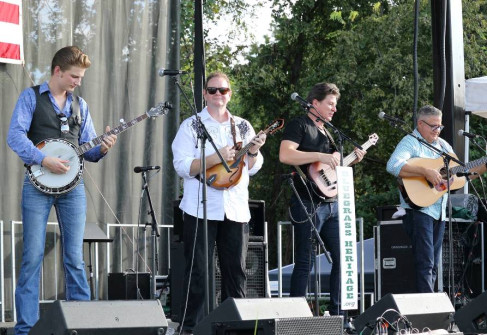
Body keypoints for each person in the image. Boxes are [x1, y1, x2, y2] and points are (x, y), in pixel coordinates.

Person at [7, 46, 118, 335]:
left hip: (74, 188)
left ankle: (82, 326)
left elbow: (90, 152)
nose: (78, 82)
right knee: (31, 257)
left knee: (75, 257)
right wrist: (43, 159)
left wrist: (103, 147)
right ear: (57, 71)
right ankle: (25, 329)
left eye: (80, 77)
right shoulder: (31, 97)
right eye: (74, 76)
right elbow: (15, 135)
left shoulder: (81, 105)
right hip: (37, 186)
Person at [172, 72, 266, 334]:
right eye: (212, 90)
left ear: (230, 94)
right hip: (200, 207)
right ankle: (189, 328)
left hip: (235, 208)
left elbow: (254, 167)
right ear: (204, 94)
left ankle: (235, 327)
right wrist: (215, 157)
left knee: (236, 271)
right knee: (197, 271)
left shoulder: (244, 126)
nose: (218, 95)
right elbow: (181, 166)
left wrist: (255, 150)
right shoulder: (191, 126)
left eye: (223, 90)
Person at [279, 82, 366, 315]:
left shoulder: (330, 131)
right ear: (314, 103)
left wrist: (352, 161)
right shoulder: (300, 124)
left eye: (335, 105)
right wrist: (320, 155)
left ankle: (339, 315)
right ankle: (294, 316)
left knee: (343, 259)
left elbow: (330, 170)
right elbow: (285, 154)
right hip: (307, 202)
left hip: (332, 204)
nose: (334, 109)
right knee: (305, 262)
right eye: (330, 103)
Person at [386, 105, 486, 293]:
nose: (437, 130)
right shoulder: (411, 142)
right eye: (433, 126)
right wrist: (425, 171)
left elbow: (459, 176)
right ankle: (428, 307)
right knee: (426, 262)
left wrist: (484, 165)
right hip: (418, 209)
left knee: (433, 264)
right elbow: (393, 165)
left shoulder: (443, 146)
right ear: (420, 124)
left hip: (439, 211)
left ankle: (429, 303)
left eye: (440, 127)